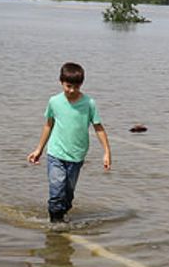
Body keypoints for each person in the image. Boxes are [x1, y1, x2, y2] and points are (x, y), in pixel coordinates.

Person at [27, 62, 112, 223]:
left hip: (77, 155)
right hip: (55, 153)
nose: (72, 90)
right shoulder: (54, 101)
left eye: (76, 87)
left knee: (68, 193)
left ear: (81, 84)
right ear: (61, 82)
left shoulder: (89, 103)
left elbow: (98, 128)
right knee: (56, 190)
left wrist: (106, 152)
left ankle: (63, 214)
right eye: (68, 86)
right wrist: (39, 149)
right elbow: (48, 125)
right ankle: (55, 223)